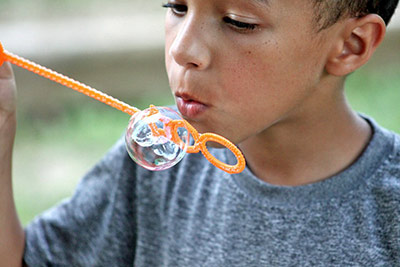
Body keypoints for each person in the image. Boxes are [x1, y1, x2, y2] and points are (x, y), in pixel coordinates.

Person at [1, 0, 399, 265]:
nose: (184, 48)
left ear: (350, 44)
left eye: (237, 22)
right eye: (177, 6)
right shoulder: (156, 163)